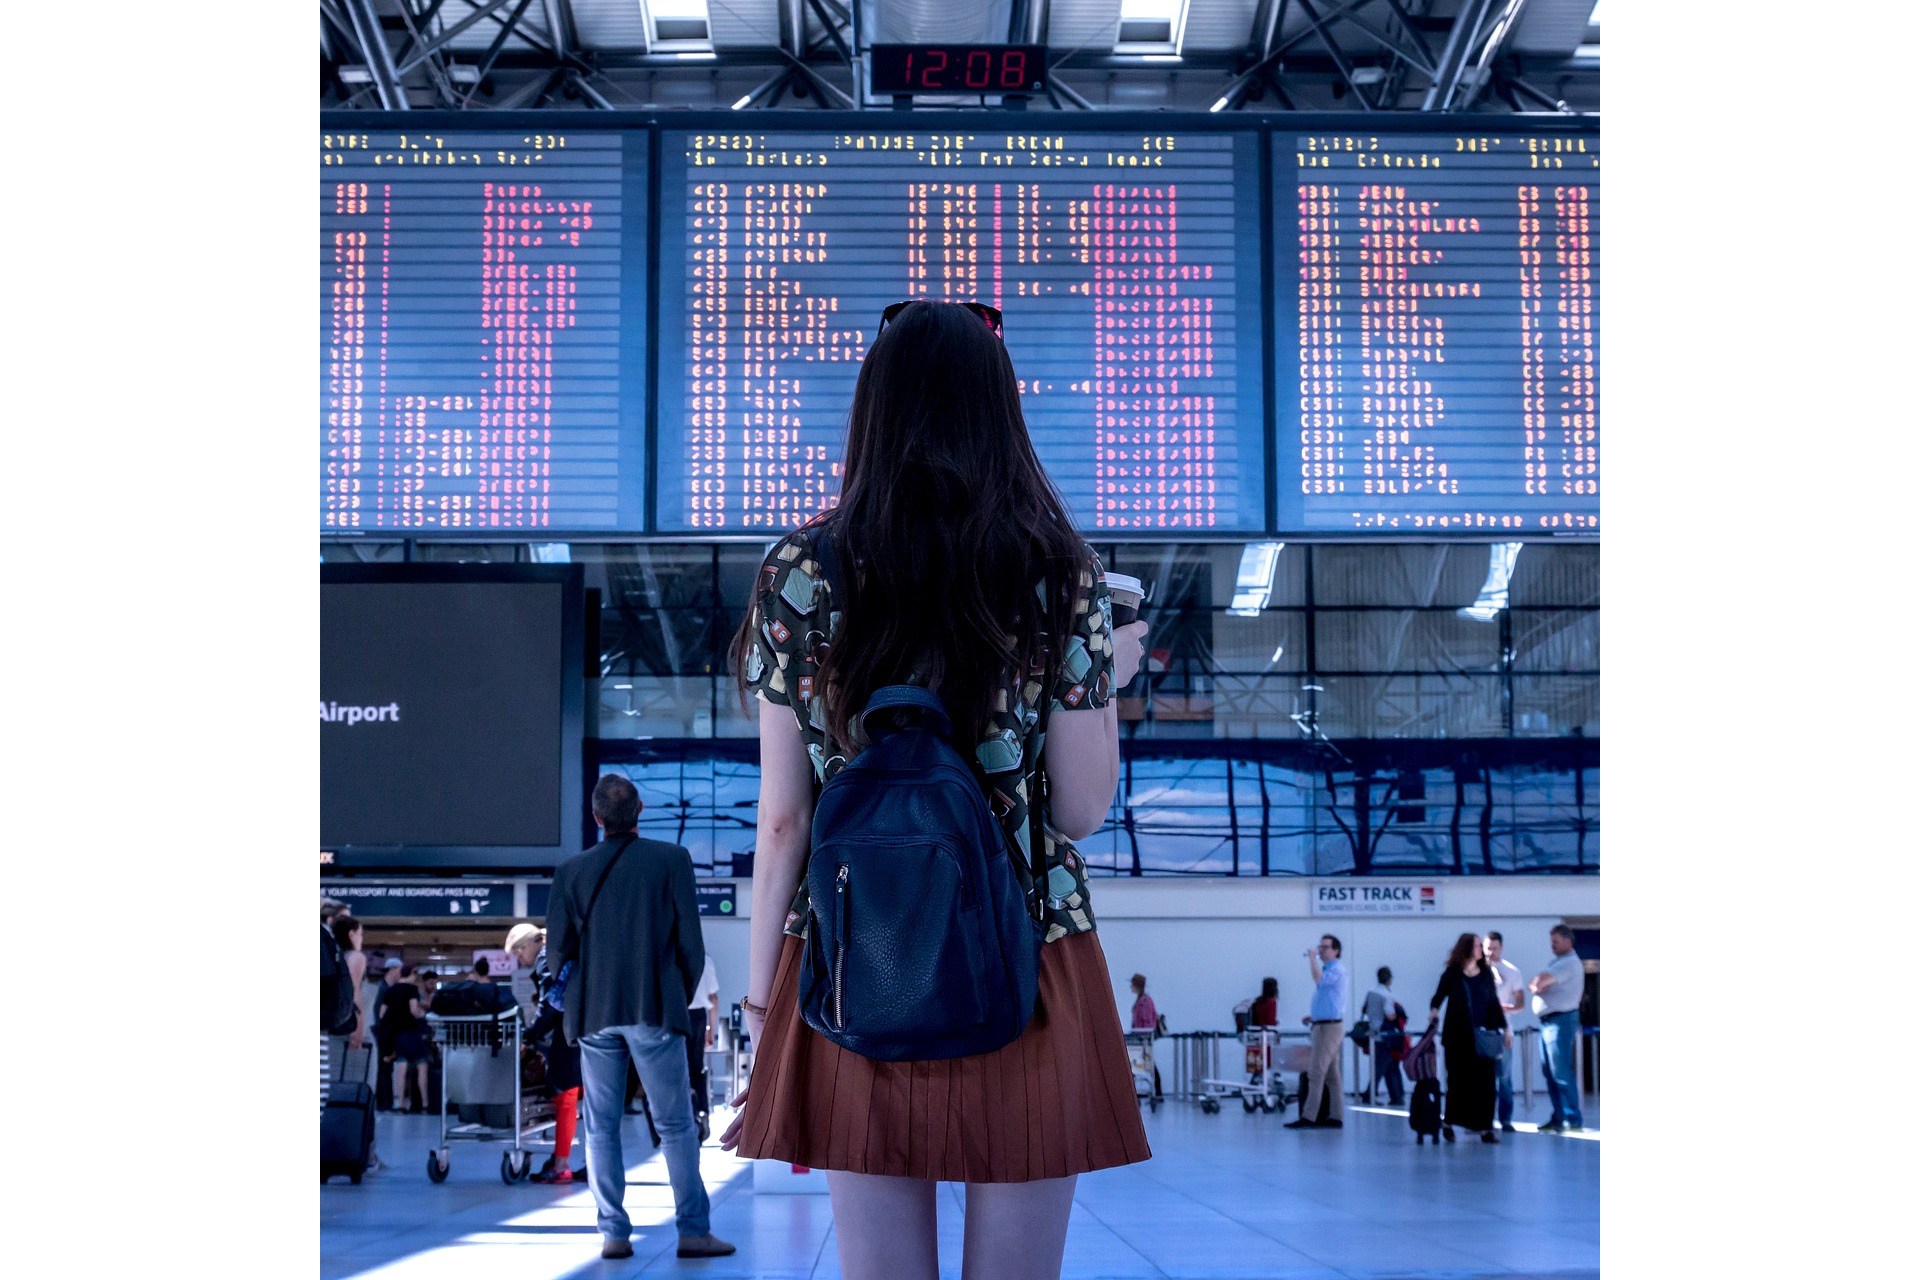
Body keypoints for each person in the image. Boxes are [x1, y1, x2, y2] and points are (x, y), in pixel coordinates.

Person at [720, 300, 1154, 1280]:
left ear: (871, 409)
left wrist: (760, 1000)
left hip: (852, 953)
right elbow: (1080, 810)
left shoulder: (801, 569)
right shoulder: (1059, 573)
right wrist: (1102, 683)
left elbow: (785, 815)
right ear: (1001, 412)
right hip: (1030, 951)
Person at [549, 773, 733, 1261]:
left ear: (595, 817)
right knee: (674, 1124)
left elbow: (555, 955)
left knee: (601, 1126)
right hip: (654, 1006)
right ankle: (693, 1231)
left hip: (593, 1014)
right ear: (641, 809)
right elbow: (692, 946)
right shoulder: (671, 860)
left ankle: (613, 1234)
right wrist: (675, 992)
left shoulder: (571, 871)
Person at [506, 923, 584, 1183]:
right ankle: (579, 1160)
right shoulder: (565, 950)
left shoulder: (545, 957)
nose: (520, 961)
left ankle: (561, 1164)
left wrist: (531, 1033)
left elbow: (551, 1001)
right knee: (584, 1100)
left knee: (565, 1098)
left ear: (527, 945)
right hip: (586, 1028)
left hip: (566, 1035)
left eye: (518, 954)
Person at [1428, 933, 1509, 1144]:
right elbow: (1438, 996)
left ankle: (1485, 1127)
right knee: (1457, 1083)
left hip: (1483, 1036)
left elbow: (1494, 1003)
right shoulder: (1452, 974)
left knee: (1486, 1083)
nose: (1480, 949)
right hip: (1457, 1038)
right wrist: (1434, 1010)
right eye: (1476, 946)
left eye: (1480, 946)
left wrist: (1505, 1028)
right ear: (1466, 948)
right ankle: (1449, 1122)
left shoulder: (1485, 974)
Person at [1285, 934, 1350, 1131]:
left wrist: (1312, 958)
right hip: (1322, 1024)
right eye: (1319, 947)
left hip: (1329, 1029)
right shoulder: (1330, 969)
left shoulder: (1337, 969)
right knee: (1332, 1075)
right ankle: (1336, 1116)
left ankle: (1309, 1116)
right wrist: (1314, 1016)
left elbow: (1318, 980)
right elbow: (1330, 1000)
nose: (1321, 950)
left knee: (1315, 1071)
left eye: (1325, 947)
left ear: (1336, 950)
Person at [1529, 924, 1586, 1133]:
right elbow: (1534, 983)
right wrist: (1537, 984)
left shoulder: (1569, 963)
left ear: (1568, 941)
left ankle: (1573, 1119)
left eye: (1556, 942)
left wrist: (1539, 984)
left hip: (1560, 1021)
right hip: (1548, 1023)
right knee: (1550, 1073)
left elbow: (1540, 981)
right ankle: (1558, 1116)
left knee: (1561, 1071)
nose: (1552, 945)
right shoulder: (1556, 962)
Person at [1485, 931, 1528, 1133]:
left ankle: (1505, 1119)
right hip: (1481, 1031)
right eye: (1487, 948)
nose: (1490, 952)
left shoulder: (1512, 972)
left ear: (1501, 948)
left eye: (1494, 948)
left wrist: (1503, 1009)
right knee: (1481, 1077)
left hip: (1503, 1032)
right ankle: (1481, 1119)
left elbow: (1520, 1003)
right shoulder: (1476, 971)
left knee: (1504, 1077)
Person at [379, 964, 431, 1114]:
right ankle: (425, 1105)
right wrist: (424, 1015)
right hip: (412, 1033)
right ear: (411, 973)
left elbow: (382, 1014)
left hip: (397, 1035)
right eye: (416, 973)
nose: (416, 977)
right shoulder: (411, 989)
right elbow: (413, 1010)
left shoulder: (390, 990)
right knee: (422, 1065)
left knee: (400, 1069)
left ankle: (400, 1104)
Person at [686, 955, 719, 1142]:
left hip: (676, 1015)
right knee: (697, 1069)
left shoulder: (670, 956)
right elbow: (713, 998)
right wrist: (711, 1030)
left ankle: (687, 1117)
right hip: (698, 1018)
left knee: (677, 1070)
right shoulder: (705, 960)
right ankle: (702, 1112)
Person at [1361, 967, 1406, 1107]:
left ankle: (1396, 1096)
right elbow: (1390, 1015)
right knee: (1381, 1067)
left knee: (1388, 1066)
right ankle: (1369, 1094)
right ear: (1389, 979)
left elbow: (1364, 1010)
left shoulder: (1370, 993)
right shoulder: (1387, 995)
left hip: (1372, 1033)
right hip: (1384, 1035)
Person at [1129, 974, 1163, 1101]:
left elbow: (1148, 1021)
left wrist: (1142, 1034)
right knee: (1146, 1063)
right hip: (1140, 1037)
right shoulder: (1140, 1000)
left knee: (1148, 1063)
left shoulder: (1145, 1001)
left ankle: (1158, 1091)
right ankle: (1157, 1091)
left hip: (1144, 1038)